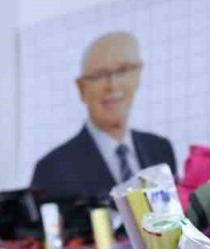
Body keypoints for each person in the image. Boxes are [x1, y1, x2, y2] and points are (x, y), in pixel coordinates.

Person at [31, 31, 177, 201]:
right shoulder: (52, 169)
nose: (113, 85)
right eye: (100, 75)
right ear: (81, 88)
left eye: (123, 70)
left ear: (138, 75)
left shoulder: (160, 149)